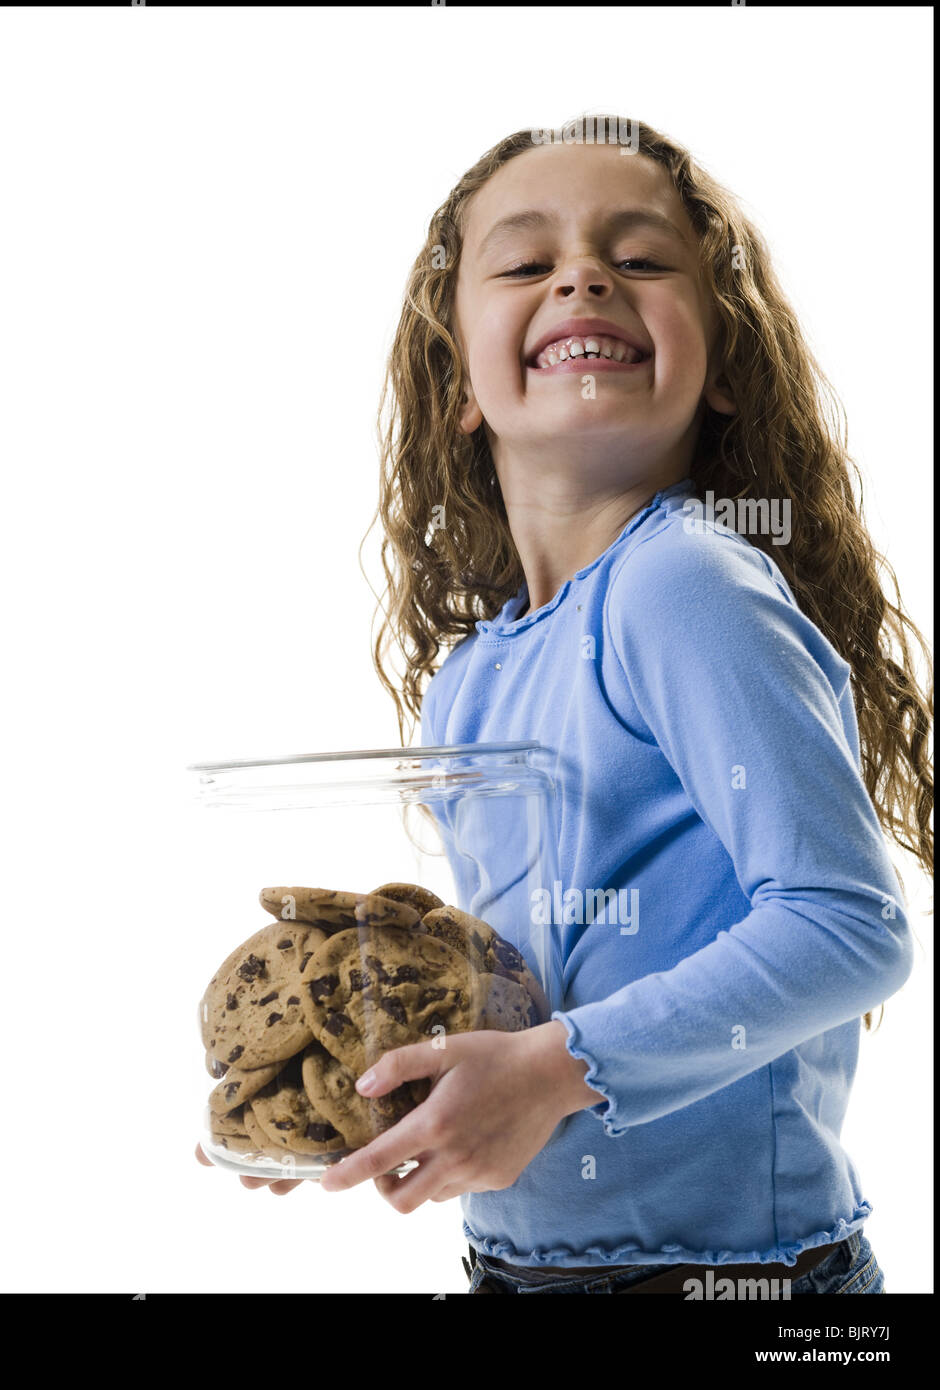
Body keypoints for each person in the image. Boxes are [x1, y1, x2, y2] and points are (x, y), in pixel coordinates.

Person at [198, 115, 931, 1296]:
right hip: (521, 1265)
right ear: (456, 384)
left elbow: (846, 927)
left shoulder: (682, 579)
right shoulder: (474, 671)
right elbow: (542, 988)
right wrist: (361, 1088)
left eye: (638, 259)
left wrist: (548, 1074)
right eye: (527, 262)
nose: (582, 275)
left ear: (726, 367)